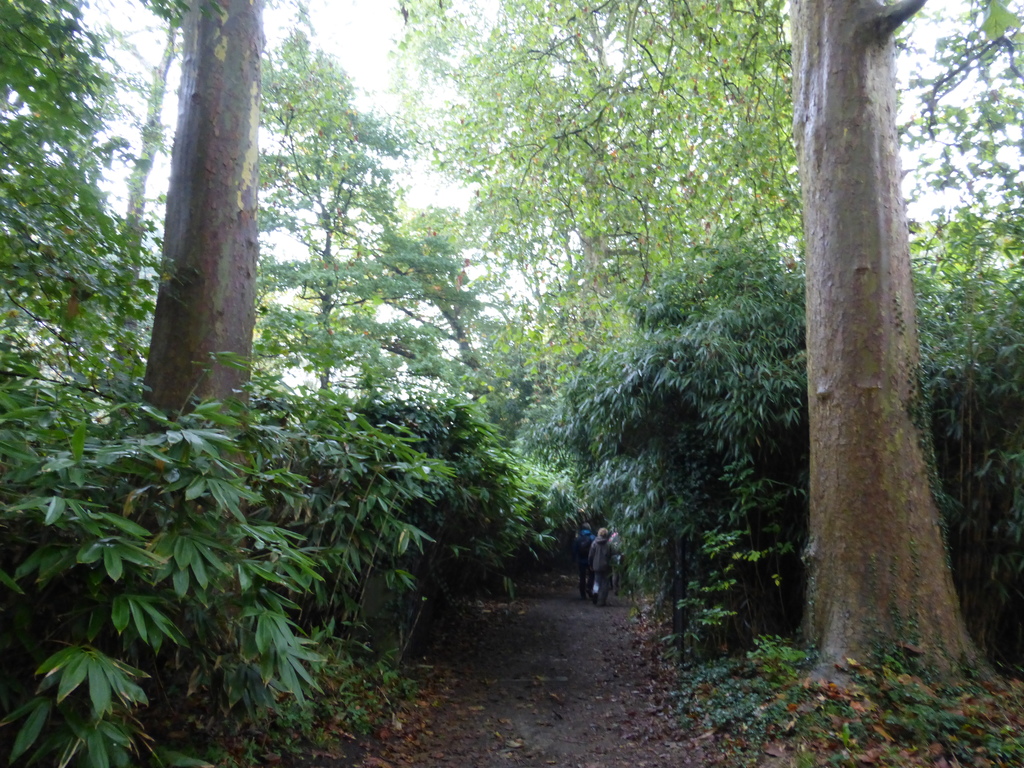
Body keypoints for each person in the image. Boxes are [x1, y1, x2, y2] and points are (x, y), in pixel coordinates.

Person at [588, 527, 612, 606]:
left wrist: (590, 564)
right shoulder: (608, 544)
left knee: (597, 581)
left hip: (596, 565)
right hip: (606, 565)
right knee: (605, 583)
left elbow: (591, 555)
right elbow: (611, 554)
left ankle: (595, 593)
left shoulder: (594, 543)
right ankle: (602, 600)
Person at [573, 523, 596, 600]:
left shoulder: (578, 538)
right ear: (589, 528)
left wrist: (574, 559)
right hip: (591, 560)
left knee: (582, 576)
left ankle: (582, 594)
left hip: (581, 560)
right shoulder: (593, 537)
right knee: (592, 575)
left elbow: (574, 549)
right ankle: (589, 588)